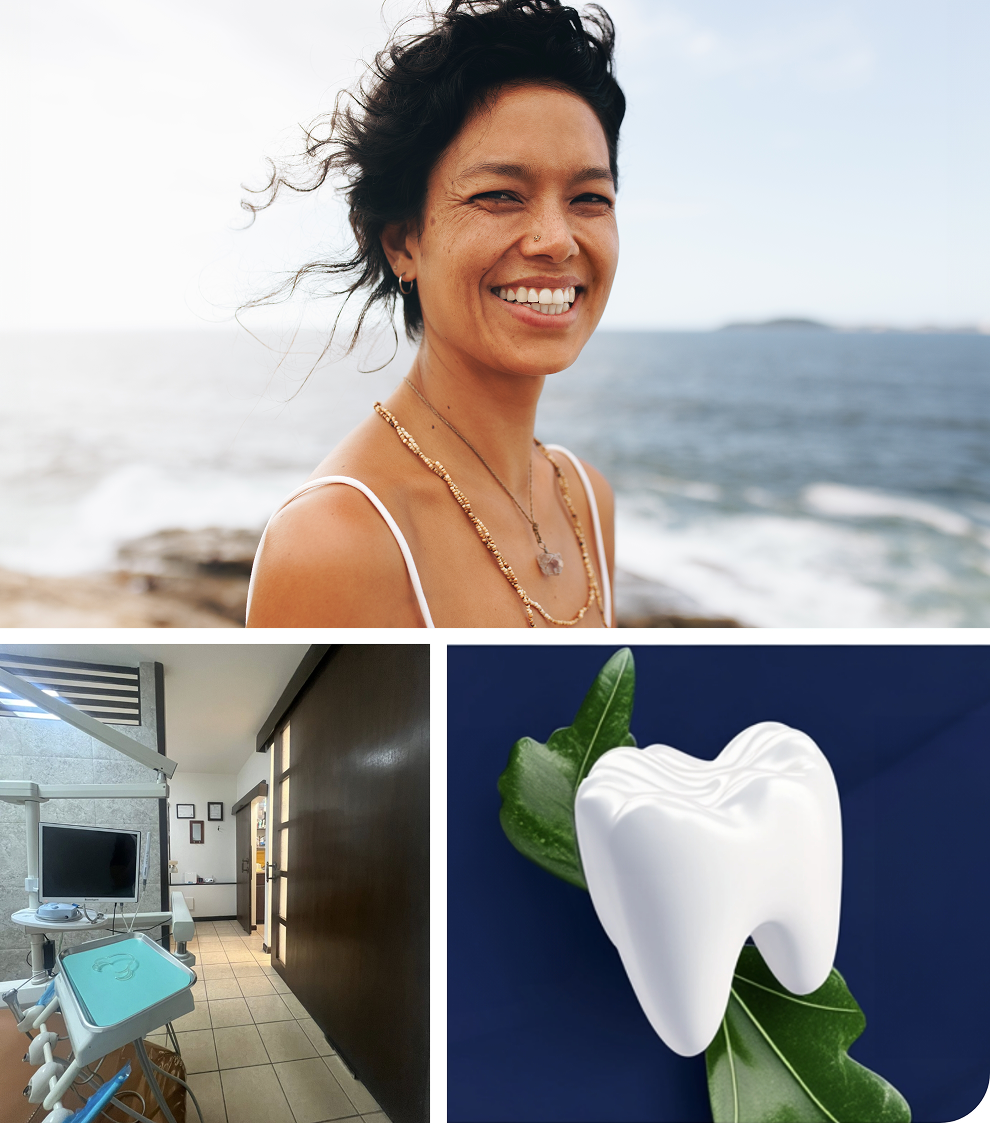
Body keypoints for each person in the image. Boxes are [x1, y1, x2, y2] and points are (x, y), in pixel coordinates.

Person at [246, 0, 624, 627]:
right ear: (402, 242)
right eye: (499, 195)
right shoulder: (332, 542)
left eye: (590, 198)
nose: (557, 240)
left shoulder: (588, 500)